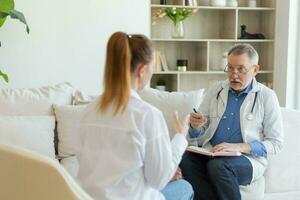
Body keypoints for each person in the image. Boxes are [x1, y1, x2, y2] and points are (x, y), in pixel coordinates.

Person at [75, 32, 194, 200]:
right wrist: (180, 137)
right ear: (142, 70)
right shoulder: (147, 116)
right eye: (153, 67)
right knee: (184, 187)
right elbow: (159, 180)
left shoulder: (88, 111)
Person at [180, 44, 284, 200]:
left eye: (241, 69)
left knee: (219, 166)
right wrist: (195, 126)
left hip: (247, 159)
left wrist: (239, 147)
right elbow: (202, 129)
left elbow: (276, 143)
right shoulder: (216, 89)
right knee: (186, 159)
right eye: (230, 68)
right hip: (212, 152)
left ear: (255, 70)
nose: (234, 75)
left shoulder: (266, 96)